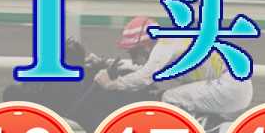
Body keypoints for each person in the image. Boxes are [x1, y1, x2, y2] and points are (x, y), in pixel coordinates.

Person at [93, 15, 253, 117]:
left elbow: (144, 76)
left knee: (169, 98)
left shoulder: (164, 45)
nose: (133, 60)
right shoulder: (167, 43)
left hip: (229, 88)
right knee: (172, 95)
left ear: (145, 45)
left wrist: (112, 84)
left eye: (133, 53)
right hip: (231, 86)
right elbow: (142, 70)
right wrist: (104, 62)